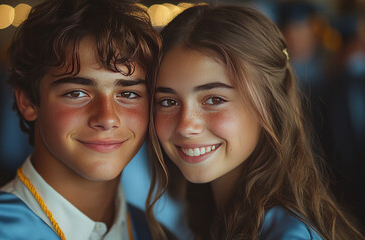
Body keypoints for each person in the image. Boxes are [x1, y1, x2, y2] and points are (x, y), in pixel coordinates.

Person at [0, 0, 163, 239]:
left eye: (128, 94)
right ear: (28, 102)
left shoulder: (152, 232)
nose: (107, 118)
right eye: (76, 93)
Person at [146, 4, 365, 240]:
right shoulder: (215, 217)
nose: (186, 126)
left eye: (214, 99)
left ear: (268, 104)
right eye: (168, 102)